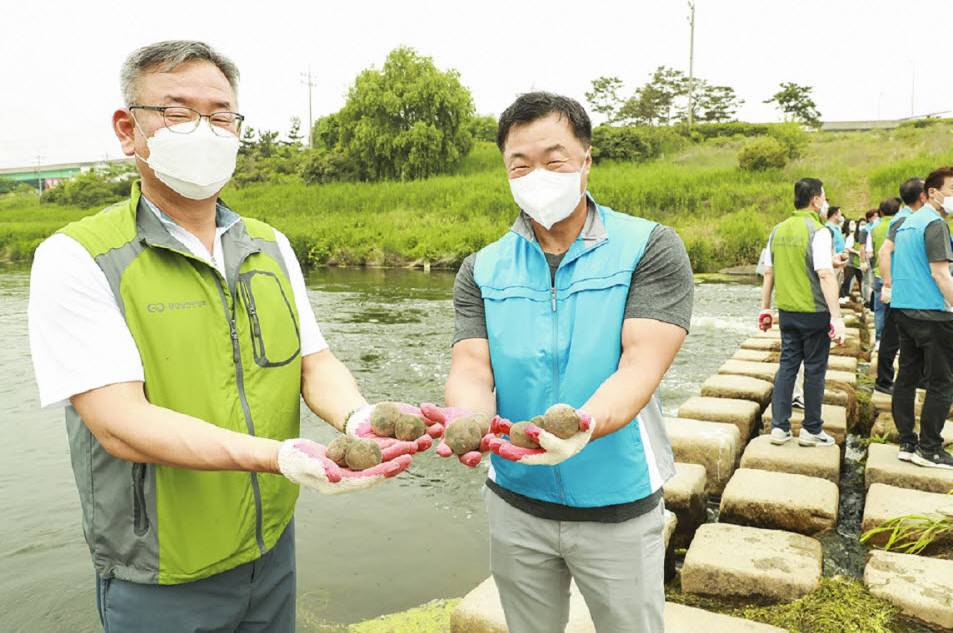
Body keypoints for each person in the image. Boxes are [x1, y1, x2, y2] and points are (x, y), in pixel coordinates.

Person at [27, 41, 423, 631]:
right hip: (161, 570)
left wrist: (358, 420)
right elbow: (117, 422)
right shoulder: (77, 257)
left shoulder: (270, 245)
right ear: (128, 129)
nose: (204, 131)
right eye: (178, 113)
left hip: (270, 547)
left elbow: (313, 362)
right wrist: (282, 457)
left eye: (220, 116)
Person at [430, 92, 693, 633]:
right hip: (515, 500)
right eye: (519, 165)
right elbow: (473, 367)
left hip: (616, 501)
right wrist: (468, 421)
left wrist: (587, 425)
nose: (537, 175)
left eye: (554, 160)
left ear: (586, 161)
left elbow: (640, 367)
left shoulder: (650, 247)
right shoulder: (482, 268)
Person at [888, 166, 953, 468]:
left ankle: (907, 442)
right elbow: (939, 272)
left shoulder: (907, 223)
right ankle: (930, 448)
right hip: (933, 315)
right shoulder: (935, 224)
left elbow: (919, 269)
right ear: (933, 193)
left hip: (905, 310)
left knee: (906, 376)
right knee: (943, 382)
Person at [759, 178, 847, 447]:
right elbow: (824, 274)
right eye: (825, 197)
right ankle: (811, 429)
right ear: (816, 200)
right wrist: (837, 316)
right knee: (815, 370)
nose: (826, 202)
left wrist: (765, 308)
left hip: (787, 311)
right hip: (814, 312)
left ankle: (779, 427)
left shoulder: (779, 229)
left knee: (787, 366)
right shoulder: (819, 231)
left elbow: (769, 271)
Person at [875, 178, 925, 395]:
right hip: (899, 291)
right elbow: (884, 252)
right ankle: (884, 381)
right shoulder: (903, 220)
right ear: (922, 196)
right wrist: (888, 284)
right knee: (891, 338)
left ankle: (918, 379)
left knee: (913, 337)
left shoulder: (914, 218)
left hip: (911, 291)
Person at [868, 196, 902, 347]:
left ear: (881, 212)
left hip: (878, 273)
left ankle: (879, 340)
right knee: (898, 312)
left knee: (880, 310)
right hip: (898, 275)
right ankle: (897, 343)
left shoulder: (874, 228)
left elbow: (870, 253)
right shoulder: (902, 225)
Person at [839, 217, 865, 300]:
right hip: (852, 261)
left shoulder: (866, 234)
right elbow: (847, 247)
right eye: (861, 224)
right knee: (848, 279)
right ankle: (843, 295)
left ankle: (863, 296)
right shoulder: (852, 236)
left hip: (860, 262)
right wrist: (856, 252)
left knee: (862, 280)